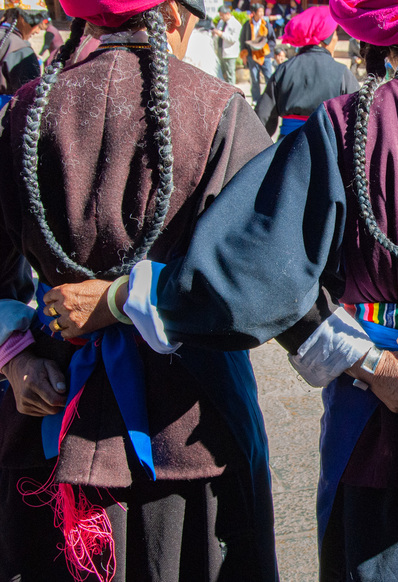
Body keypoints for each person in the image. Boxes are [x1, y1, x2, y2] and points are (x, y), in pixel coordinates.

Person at [46, 0, 398, 578]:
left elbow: (253, 272)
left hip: (371, 416)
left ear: (376, 38)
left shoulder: (340, 126)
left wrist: (124, 298)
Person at [0, 0, 281, 579]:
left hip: (52, 404)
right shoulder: (217, 108)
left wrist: (16, 354)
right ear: (172, 13)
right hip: (190, 420)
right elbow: (263, 276)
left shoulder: (26, 110)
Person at [256, 5, 358, 137]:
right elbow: (358, 120)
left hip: (288, 146)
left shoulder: (284, 70)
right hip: (327, 147)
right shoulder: (342, 73)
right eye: (335, 33)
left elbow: (261, 121)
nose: (336, 38)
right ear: (327, 38)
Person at [0, 0, 46, 110]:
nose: (38, 31)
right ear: (22, 18)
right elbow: (29, 98)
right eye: (37, 23)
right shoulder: (21, 50)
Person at [239, 2, 276, 103]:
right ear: (254, 13)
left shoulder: (266, 24)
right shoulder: (247, 25)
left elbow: (272, 39)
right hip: (252, 54)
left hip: (264, 54)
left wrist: (268, 49)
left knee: (268, 77)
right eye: (260, 11)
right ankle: (256, 98)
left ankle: (270, 98)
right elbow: (242, 40)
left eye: (262, 11)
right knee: (254, 78)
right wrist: (244, 54)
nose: (262, 14)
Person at [213, 4, 241, 84]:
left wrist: (221, 34)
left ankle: (232, 90)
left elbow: (233, 39)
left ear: (228, 14)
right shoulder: (221, 22)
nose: (221, 17)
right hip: (220, 50)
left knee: (230, 74)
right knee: (222, 73)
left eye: (222, 15)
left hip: (230, 53)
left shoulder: (235, 24)